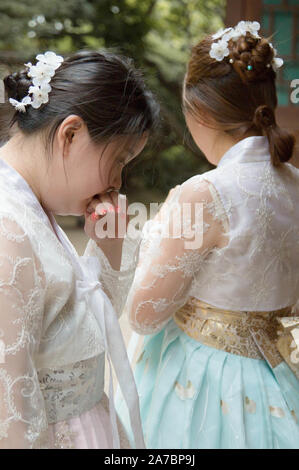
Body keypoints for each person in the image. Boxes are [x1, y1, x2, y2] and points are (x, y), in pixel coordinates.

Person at [115, 21, 299, 449]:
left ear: (198, 113)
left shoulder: (206, 194)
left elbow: (144, 315)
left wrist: (152, 238)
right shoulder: (296, 184)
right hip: (280, 372)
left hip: (206, 383)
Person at [0, 49, 159, 449]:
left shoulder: (34, 209)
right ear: (70, 134)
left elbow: (82, 329)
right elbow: (10, 418)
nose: (118, 181)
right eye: (119, 160)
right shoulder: (8, 232)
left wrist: (108, 248)